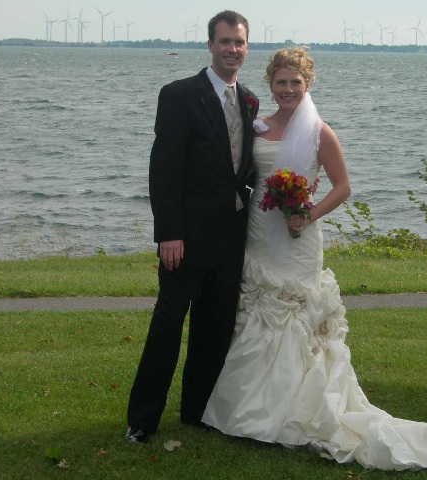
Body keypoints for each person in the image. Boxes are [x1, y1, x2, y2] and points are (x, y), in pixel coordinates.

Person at [202, 48, 427, 471]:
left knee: (294, 315)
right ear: (270, 85)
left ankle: (295, 409)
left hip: (299, 237)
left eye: (295, 82)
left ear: (307, 85)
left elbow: (342, 187)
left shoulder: (320, 132)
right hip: (259, 231)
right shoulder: (256, 126)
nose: (287, 89)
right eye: (281, 82)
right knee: (258, 311)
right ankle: (248, 407)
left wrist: (308, 214)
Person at [125, 10, 259, 444]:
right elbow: (164, 169)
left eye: (239, 42)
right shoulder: (180, 94)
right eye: (224, 42)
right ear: (210, 45)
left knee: (214, 328)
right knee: (167, 326)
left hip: (231, 238)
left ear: (246, 46)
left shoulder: (251, 101)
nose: (232, 50)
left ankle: (196, 411)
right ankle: (142, 420)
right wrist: (168, 232)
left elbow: (244, 170)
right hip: (184, 240)